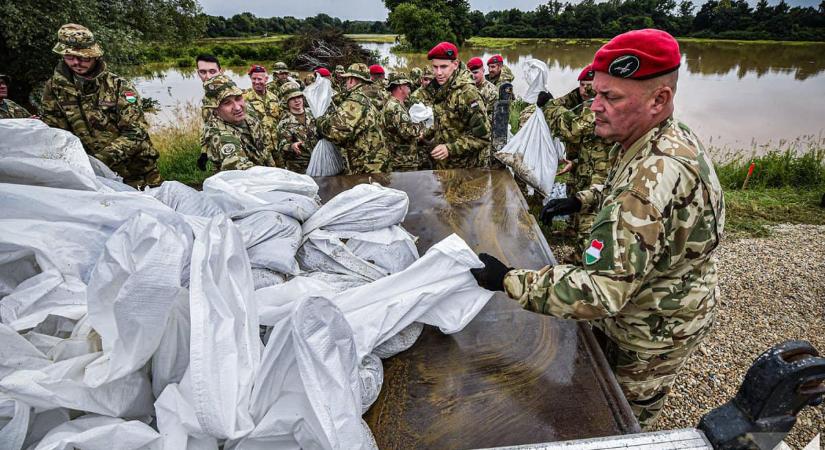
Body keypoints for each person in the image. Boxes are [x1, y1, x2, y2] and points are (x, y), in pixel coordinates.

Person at [471, 29, 725, 429]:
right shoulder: (664, 139)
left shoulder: (646, 185)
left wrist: (510, 280)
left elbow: (603, 292)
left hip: (651, 328)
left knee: (617, 421)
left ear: (660, 100)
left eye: (611, 97)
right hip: (659, 299)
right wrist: (582, 200)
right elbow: (621, 189)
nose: (595, 107)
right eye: (596, 94)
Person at [41, 23, 160, 188]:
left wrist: (99, 161)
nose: (76, 62)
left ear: (95, 56)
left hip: (136, 172)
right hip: (88, 175)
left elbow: (136, 132)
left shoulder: (119, 86)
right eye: (69, 57)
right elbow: (55, 131)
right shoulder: (54, 88)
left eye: (83, 57)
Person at [542, 65, 616, 263]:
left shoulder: (598, 107)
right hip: (585, 167)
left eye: (588, 86)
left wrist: (549, 106)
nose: (584, 90)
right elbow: (587, 142)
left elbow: (572, 130)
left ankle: (584, 260)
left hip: (601, 173)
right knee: (574, 196)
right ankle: (571, 234)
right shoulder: (584, 103)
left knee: (590, 217)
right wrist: (574, 163)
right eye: (581, 85)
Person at [420, 42, 491, 170]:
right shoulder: (441, 87)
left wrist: (450, 149)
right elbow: (444, 120)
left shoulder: (467, 93)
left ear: (455, 64)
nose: (438, 72)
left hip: (465, 168)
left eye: (443, 66)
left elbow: (483, 137)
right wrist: (425, 134)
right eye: (435, 67)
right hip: (445, 166)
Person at [316, 63, 388, 174]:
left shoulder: (356, 101)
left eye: (346, 80)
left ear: (351, 79)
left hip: (365, 166)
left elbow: (335, 132)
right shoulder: (372, 96)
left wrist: (319, 122)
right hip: (376, 161)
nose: (345, 83)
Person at [201, 75, 276, 172]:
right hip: (246, 184)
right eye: (227, 103)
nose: (237, 107)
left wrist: (273, 169)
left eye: (238, 98)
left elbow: (263, 146)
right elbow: (244, 172)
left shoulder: (248, 110)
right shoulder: (222, 137)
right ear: (215, 110)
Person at [383, 73, 423, 171]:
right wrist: (421, 129)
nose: (409, 89)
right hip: (403, 162)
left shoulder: (392, 104)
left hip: (398, 159)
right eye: (408, 86)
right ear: (401, 87)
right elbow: (407, 133)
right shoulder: (396, 108)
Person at [276, 81, 318, 173]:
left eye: (299, 97)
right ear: (286, 101)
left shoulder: (314, 113)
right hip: (299, 167)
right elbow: (281, 147)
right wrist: (291, 146)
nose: (297, 101)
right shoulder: (284, 122)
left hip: (319, 161)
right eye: (292, 98)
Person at [243, 65, 282, 133]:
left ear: (266, 79)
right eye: (254, 79)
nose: (256, 82)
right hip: (258, 141)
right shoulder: (244, 98)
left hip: (275, 140)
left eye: (259, 79)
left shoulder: (274, 98)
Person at [467, 57, 498, 123]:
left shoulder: (492, 92)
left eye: (475, 72)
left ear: (483, 71)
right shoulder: (467, 88)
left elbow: (493, 117)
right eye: (470, 73)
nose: (472, 76)